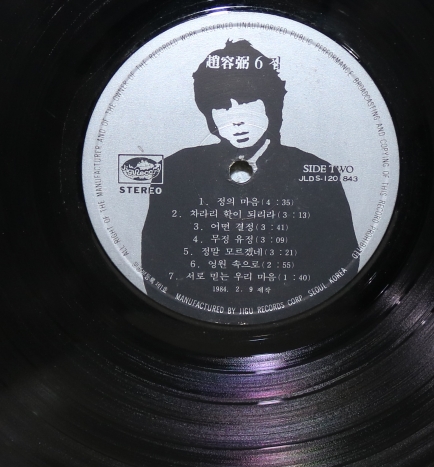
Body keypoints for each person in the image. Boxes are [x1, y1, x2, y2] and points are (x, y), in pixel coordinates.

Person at [140, 38, 357, 317]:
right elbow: (159, 265)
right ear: (209, 116)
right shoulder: (175, 171)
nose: (237, 119)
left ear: (271, 105)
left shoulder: (315, 171)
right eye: (222, 107)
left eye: (247, 102)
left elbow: (338, 268)